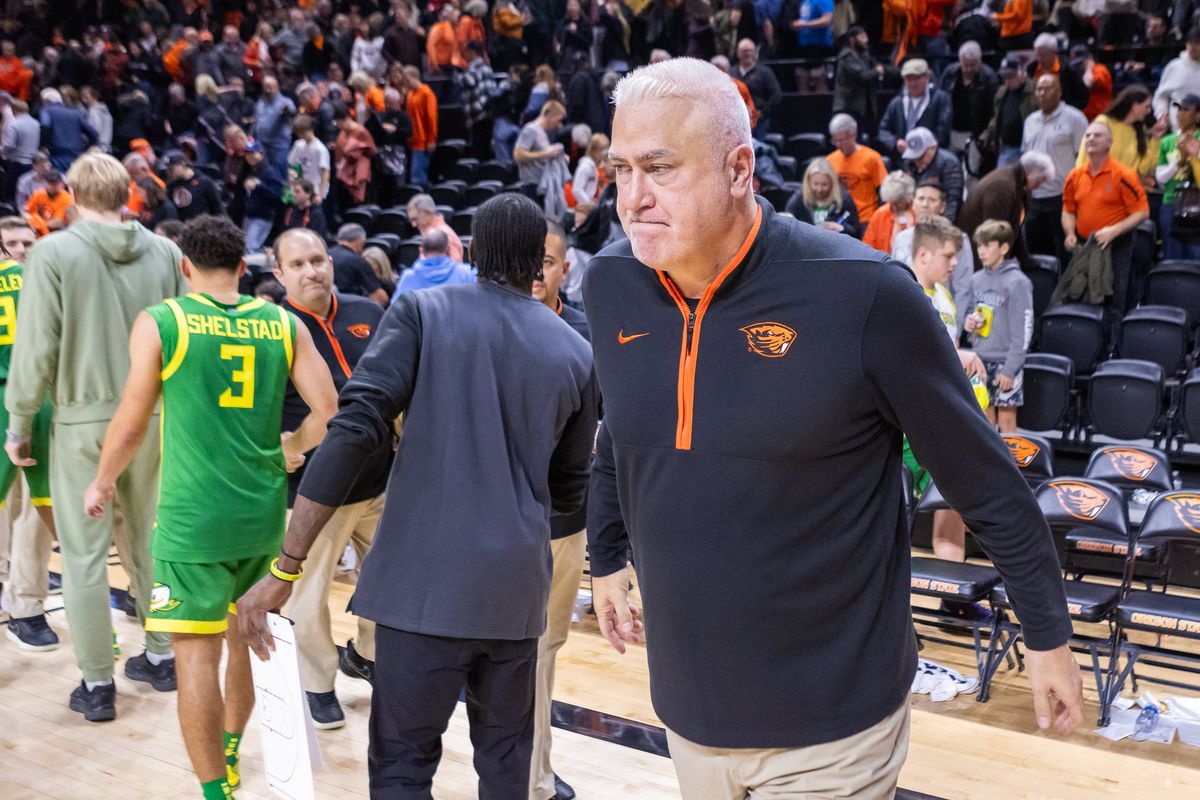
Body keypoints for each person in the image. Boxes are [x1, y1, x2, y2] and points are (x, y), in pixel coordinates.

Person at [584, 58, 1081, 799]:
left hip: (833, 727)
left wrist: (1046, 633)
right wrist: (605, 553)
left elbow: (984, 478)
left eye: (659, 169)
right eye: (620, 170)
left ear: (740, 168)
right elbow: (619, 435)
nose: (633, 198)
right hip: (687, 711)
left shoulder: (864, 294)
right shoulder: (611, 284)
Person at [237, 193, 598, 797]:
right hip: (514, 596)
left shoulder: (422, 310)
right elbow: (568, 488)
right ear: (540, 261)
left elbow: (352, 430)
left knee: (404, 766)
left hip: (422, 592)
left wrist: (286, 564)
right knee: (507, 762)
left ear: (473, 251)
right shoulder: (577, 351)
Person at [82, 216, 337, 800]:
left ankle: (214, 790)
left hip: (192, 522)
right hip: (264, 516)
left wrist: (101, 482)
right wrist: (291, 449)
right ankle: (229, 745)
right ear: (245, 268)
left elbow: (130, 421)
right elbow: (330, 411)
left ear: (184, 267)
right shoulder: (281, 323)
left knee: (196, 657)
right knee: (249, 640)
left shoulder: (163, 321)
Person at [5, 151, 187, 722]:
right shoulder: (165, 251)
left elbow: (35, 349)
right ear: (128, 195)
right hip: (157, 416)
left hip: (83, 420)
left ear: (75, 198)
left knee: (83, 556)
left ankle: (97, 683)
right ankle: (162, 657)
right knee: (155, 545)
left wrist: (18, 420)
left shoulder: (54, 251)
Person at [267, 228, 392, 728]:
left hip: (382, 481)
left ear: (333, 263)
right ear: (279, 275)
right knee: (306, 592)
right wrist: (290, 446)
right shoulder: (273, 327)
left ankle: (367, 655)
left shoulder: (368, 312)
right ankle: (319, 684)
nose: (311, 270)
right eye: (296, 264)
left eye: (317, 259)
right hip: (314, 491)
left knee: (390, 581)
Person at [529, 218, 594, 800]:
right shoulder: (484, 327)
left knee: (543, 650)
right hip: (493, 522)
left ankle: (533, 771)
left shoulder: (585, 336)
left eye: (546, 261)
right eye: (527, 260)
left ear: (563, 267)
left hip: (559, 523)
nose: (535, 273)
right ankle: (528, 773)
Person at [901, 216, 989, 617]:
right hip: (906, 424)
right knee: (894, 515)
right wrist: (960, 355)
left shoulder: (945, 297)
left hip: (942, 421)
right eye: (948, 255)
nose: (955, 263)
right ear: (923, 253)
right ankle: (887, 611)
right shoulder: (903, 290)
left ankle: (955, 599)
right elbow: (915, 356)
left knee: (952, 505)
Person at [0, 216, 57, 652]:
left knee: (35, 514)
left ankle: (26, 606)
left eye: (27, 242)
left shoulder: (46, 280)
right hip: (21, 398)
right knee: (22, 513)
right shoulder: (42, 282)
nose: (21, 250)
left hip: (44, 402)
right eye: (12, 243)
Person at [1062, 121, 1151, 327]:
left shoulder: (1124, 174)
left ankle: (1112, 347)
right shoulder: (1074, 175)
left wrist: (1114, 230)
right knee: (1081, 297)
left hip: (1116, 245)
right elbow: (1068, 210)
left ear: (1109, 144)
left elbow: (1142, 212)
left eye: (1098, 135)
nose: (1091, 138)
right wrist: (1069, 232)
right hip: (1085, 246)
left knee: (1114, 301)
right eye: (1088, 135)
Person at [961, 220, 1033, 434]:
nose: (981, 252)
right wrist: (969, 323)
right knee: (984, 418)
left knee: (1007, 420)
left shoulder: (1018, 282)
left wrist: (1011, 368)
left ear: (1003, 247)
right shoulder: (976, 280)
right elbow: (971, 314)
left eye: (987, 245)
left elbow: (1024, 329)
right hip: (980, 359)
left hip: (1006, 361)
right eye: (979, 246)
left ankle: (1011, 467)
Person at [1022, 74, 1089, 262]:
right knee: (1037, 253)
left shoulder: (1075, 118)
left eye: (1048, 88)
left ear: (1059, 92)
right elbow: (1026, 157)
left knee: (1066, 250)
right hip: (1035, 197)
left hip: (1063, 196)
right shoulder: (1030, 121)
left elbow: (1083, 158)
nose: (1042, 93)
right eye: (1039, 89)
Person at [957, 151, 1055, 271]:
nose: (1039, 186)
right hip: (976, 257)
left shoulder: (1016, 183)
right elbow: (993, 234)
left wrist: (1026, 261)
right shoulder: (1002, 188)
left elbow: (1015, 228)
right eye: (1039, 181)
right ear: (1029, 172)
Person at [890, 184, 974, 300]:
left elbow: (963, 287)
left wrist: (957, 317)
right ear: (913, 203)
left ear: (942, 207)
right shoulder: (901, 238)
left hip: (944, 309)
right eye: (921, 199)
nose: (925, 204)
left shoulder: (957, 238)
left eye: (932, 200)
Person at [1080, 84, 1166, 186]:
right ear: (1134, 106)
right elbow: (1084, 156)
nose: (1149, 111)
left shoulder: (1139, 130)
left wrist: (1155, 139)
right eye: (1147, 106)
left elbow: (1143, 168)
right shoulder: (1104, 122)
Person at [877, 58, 953, 156]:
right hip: (903, 157)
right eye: (909, 79)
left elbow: (943, 130)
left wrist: (924, 148)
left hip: (931, 157)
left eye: (917, 78)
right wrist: (895, 143)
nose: (913, 83)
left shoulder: (940, 99)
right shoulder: (897, 102)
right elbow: (883, 130)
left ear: (927, 76)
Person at [1157, 93, 1200, 258]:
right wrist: (1180, 161)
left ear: (1197, 116)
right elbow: (1160, 178)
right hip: (1170, 202)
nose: (1179, 114)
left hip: (1197, 204)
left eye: (1186, 110)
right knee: (1171, 255)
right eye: (1178, 109)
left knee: (1195, 258)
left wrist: (1194, 154)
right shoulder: (1167, 141)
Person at [939, 40, 999, 154]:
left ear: (979, 61)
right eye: (965, 65)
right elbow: (941, 101)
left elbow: (994, 111)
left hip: (974, 134)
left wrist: (986, 133)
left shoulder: (990, 79)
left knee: (971, 169)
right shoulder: (950, 74)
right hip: (952, 131)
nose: (968, 69)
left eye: (972, 65)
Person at [827, 114, 889, 219]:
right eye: (835, 141)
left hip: (866, 217)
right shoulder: (830, 160)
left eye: (842, 140)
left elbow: (885, 191)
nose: (838, 145)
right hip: (840, 217)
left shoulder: (872, 158)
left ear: (853, 135)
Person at [785, 157, 862, 237]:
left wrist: (842, 228)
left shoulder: (844, 198)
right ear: (808, 182)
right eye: (816, 184)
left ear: (832, 183)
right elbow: (788, 220)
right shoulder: (800, 197)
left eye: (824, 185)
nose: (819, 189)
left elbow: (856, 231)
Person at [899, 127, 965, 221]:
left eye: (920, 156)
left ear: (932, 148)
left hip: (941, 219)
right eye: (913, 156)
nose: (916, 160)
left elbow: (953, 201)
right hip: (914, 218)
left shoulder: (949, 163)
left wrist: (945, 227)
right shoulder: (909, 162)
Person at [985, 56, 1037, 167]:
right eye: (1004, 76)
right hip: (1007, 148)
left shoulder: (1034, 89)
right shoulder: (1001, 92)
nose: (1007, 80)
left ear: (1022, 72)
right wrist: (988, 135)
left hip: (1030, 149)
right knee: (1004, 182)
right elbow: (997, 117)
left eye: (1010, 76)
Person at [393, 228, 476, 298]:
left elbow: (395, 312)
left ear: (421, 251)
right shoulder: (469, 273)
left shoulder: (408, 277)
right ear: (449, 249)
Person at [832, 26, 882, 136]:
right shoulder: (847, 57)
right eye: (863, 37)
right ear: (852, 39)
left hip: (860, 107)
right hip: (847, 107)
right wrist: (877, 71)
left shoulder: (864, 56)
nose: (866, 40)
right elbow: (863, 75)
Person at [329, 223, 390, 306]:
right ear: (360, 241)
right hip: (350, 309)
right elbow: (381, 299)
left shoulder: (326, 255)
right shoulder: (357, 261)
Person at [38, 88, 98, 171]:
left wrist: (43, 146)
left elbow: (45, 126)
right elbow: (93, 133)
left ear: (45, 101)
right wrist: (88, 147)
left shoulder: (46, 110)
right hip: (77, 155)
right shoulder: (74, 113)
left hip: (57, 156)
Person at [515, 99, 568, 193]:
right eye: (558, 120)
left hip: (540, 185)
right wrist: (545, 154)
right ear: (550, 115)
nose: (559, 125)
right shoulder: (530, 129)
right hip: (531, 187)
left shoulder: (542, 132)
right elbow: (518, 155)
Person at [1153, 25, 1200, 130]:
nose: (1192, 47)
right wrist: (1162, 115)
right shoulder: (1174, 66)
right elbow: (1161, 96)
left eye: (1197, 43)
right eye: (1190, 43)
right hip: (1176, 131)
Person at [241, 139, 284, 254]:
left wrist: (259, 186)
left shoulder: (270, 172)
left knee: (251, 248)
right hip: (250, 215)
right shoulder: (253, 170)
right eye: (247, 153)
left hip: (262, 217)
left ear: (260, 154)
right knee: (245, 247)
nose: (249, 156)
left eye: (252, 153)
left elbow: (277, 194)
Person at [732, 39, 781, 136]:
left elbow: (776, 94)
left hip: (760, 121)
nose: (748, 54)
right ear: (738, 53)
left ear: (755, 52)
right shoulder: (731, 72)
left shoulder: (765, 72)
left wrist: (763, 113)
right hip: (736, 121)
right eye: (744, 51)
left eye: (750, 50)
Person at [1030, 32, 1089, 110]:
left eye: (1042, 55)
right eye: (1037, 55)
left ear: (1053, 53)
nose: (1039, 59)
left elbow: (1083, 97)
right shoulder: (1031, 69)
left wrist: (1069, 111)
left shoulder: (1068, 70)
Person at [863, 170, 917, 254]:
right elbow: (867, 246)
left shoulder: (918, 212)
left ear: (908, 196)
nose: (894, 206)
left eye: (898, 202)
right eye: (891, 202)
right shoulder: (880, 214)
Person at [253, 76, 296, 178]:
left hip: (279, 146)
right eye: (266, 87)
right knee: (265, 175)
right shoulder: (260, 103)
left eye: (271, 87)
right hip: (263, 146)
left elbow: (292, 111)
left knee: (280, 175)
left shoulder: (285, 102)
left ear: (277, 87)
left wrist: (286, 111)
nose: (268, 90)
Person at [403, 65, 439, 187]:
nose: (405, 83)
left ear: (414, 77)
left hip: (422, 142)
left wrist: (431, 140)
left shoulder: (427, 93)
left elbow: (431, 118)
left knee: (417, 178)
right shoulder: (410, 94)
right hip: (412, 140)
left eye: (407, 80)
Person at [165, 151, 224, 222]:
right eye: (168, 170)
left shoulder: (204, 182)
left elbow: (218, 208)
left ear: (183, 164)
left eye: (171, 169)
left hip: (203, 226)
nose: (169, 173)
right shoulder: (172, 186)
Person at [406, 194, 465, 263]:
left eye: (415, 219)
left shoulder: (445, 235)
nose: (414, 225)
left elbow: (454, 269)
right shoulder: (432, 233)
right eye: (411, 221)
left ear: (427, 212)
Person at [2, 99, 40, 203]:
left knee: (11, 194)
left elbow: (9, 145)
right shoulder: (36, 123)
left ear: (15, 109)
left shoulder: (14, 124)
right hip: (32, 163)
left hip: (17, 163)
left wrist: (3, 153)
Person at [288, 114, 332, 204]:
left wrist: (320, 194)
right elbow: (291, 165)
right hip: (301, 190)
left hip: (315, 191)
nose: (300, 135)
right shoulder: (298, 145)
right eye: (298, 133)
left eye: (302, 132)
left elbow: (325, 173)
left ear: (310, 130)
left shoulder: (320, 149)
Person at [25, 170, 72, 237]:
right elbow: (27, 214)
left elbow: (57, 222)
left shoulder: (67, 198)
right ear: (45, 183)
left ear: (61, 184)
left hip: (57, 232)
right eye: (50, 183)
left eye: (56, 183)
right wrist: (37, 225)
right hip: (37, 230)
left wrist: (38, 224)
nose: (53, 186)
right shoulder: (38, 194)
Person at [573, 132, 610, 207]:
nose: (604, 153)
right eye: (602, 150)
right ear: (593, 149)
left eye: (606, 149)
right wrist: (589, 203)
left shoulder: (600, 165)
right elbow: (577, 190)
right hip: (586, 208)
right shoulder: (585, 167)